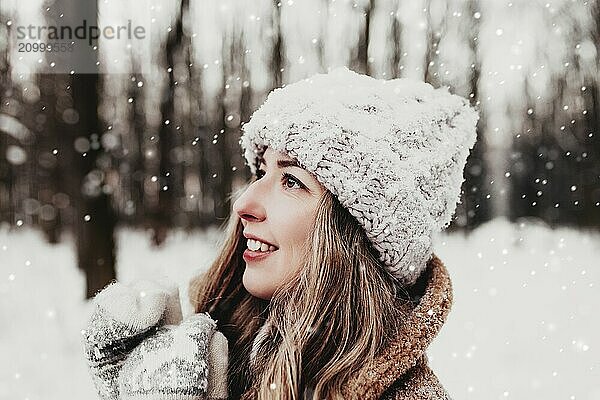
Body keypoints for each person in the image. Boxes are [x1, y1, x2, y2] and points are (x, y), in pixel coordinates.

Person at [83, 67, 478, 400]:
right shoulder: (209, 354)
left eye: (291, 180)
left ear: (354, 235)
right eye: (262, 172)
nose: (243, 205)